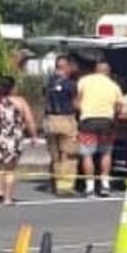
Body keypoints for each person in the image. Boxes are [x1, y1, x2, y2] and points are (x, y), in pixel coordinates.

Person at [0, 76, 38, 206]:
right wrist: (33, 136)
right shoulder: (20, 102)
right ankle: (8, 198)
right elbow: (29, 120)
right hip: (14, 138)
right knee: (10, 169)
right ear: (12, 88)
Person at [76, 60, 122, 197]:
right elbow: (119, 106)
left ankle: (89, 187)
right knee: (106, 153)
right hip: (106, 122)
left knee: (87, 154)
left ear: (96, 70)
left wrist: (82, 110)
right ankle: (105, 185)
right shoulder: (114, 86)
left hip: (88, 121)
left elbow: (77, 100)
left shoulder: (83, 81)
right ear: (108, 71)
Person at [43, 55, 79, 196]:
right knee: (67, 154)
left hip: (50, 120)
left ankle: (53, 183)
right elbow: (75, 103)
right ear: (67, 67)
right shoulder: (71, 84)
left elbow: (45, 98)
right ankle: (64, 186)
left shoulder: (49, 84)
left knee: (54, 155)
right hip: (66, 120)